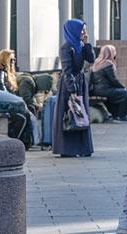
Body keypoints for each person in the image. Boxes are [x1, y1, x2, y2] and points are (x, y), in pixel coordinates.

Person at [53, 19, 95, 158]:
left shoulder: (81, 45)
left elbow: (91, 59)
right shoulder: (66, 47)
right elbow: (67, 70)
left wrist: (87, 44)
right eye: (81, 29)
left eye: (84, 29)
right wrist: (72, 89)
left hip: (80, 82)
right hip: (69, 85)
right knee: (70, 115)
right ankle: (67, 148)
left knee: (81, 114)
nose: (83, 32)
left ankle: (82, 147)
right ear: (74, 30)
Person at [0, 49, 33, 147]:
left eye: (14, 60)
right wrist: (18, 103)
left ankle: (25, 143)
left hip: (0, 105)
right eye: (11, 60)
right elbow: (2, 92)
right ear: (4, 60)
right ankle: (13, 143)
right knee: (21, 117)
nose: (14, 62)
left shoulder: (3, 72)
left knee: (29, 110)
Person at [90, 45, 127, 121]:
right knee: (126, 93)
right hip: (104, 90)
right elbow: (113, 80)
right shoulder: (108, 63)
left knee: (115, 95)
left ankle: (115, 114)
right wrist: (123, 87)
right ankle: (122, 116)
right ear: (110, 53)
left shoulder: (97, 62)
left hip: (96, 90)